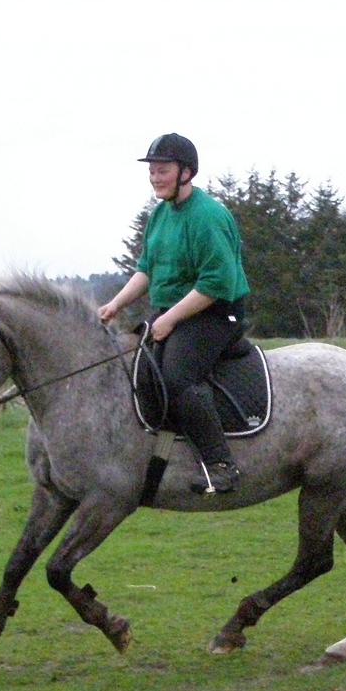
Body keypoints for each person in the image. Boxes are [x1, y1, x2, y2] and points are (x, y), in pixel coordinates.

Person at [98, 133, 251, 494]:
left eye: (162, 170)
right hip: (176, 311)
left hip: (216, 313)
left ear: (186, 173)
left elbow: (216, 283)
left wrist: (169, 320)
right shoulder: (160, 215)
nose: (155, 177)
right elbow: (147, 269)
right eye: (152, 171)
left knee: (178, 377)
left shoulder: (209, 216)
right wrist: (116, 304)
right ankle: (163, 457)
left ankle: (221, 465)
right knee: (142, 372)